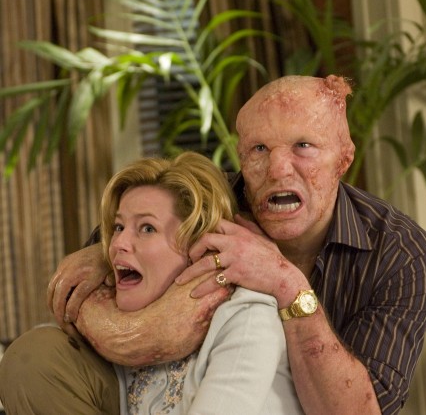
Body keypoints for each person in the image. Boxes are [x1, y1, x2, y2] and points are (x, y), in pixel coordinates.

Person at [2, 75, 426, 414]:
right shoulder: (204, 203)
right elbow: (115, 253)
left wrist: (287, 284)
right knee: (36, 359)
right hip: (159, 394)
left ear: (344, 158)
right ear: (240, 155)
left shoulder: (403, 253)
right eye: (259, 149)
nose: (278, 169)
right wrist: (102, 254)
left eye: (303, 146)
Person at [0, 152, 303, 415]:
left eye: (147, 228)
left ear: (199, 244)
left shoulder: (248, 318)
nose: (119, 243)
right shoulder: (128, 316)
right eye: (119, 227)